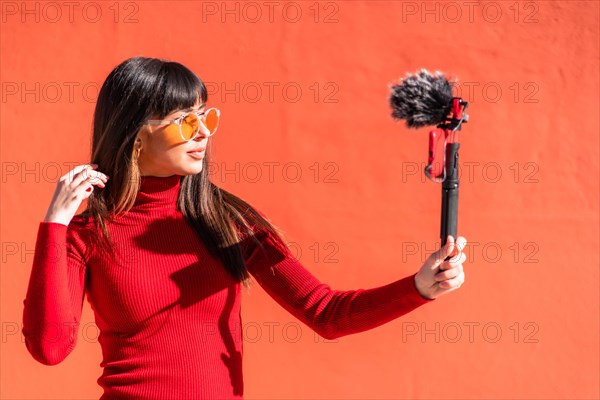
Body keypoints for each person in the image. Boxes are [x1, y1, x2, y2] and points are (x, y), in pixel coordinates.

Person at [22, 56, 467, 400]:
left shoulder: (228, 221)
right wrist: (55, 225)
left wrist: (419, 287)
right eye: (184, 122)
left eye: (206, 117)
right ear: (137, 134)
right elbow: (49, 347)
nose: (203, 134)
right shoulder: (87, 231)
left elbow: (325, 313)